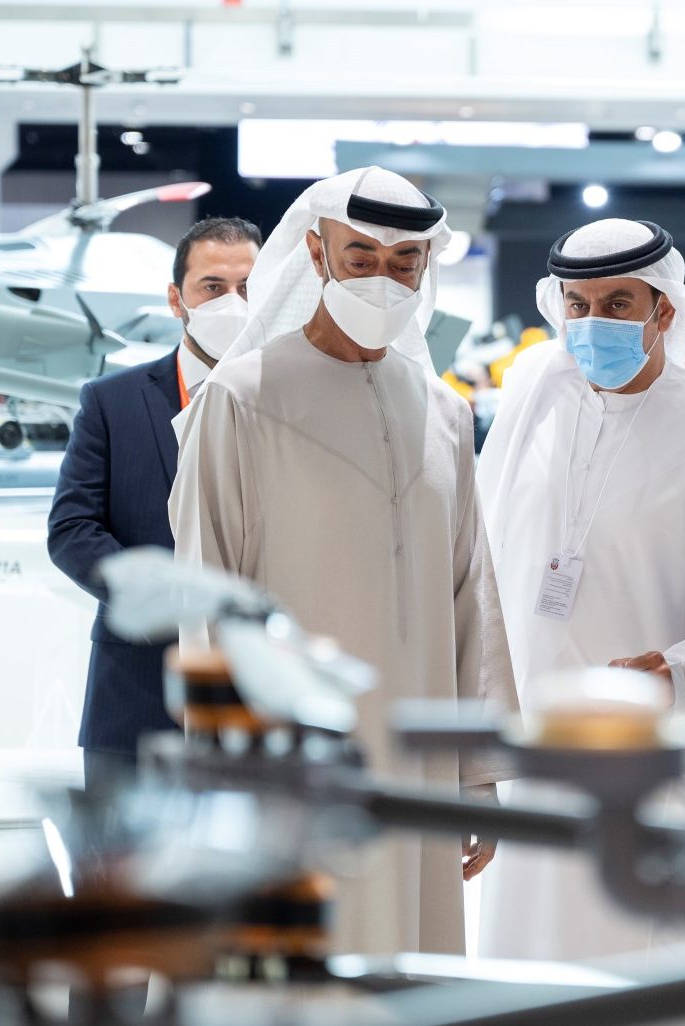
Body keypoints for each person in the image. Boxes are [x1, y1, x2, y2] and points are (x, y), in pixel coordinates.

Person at [169, 168, 514, 956]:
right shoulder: (241, 398)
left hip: (417, 762)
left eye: (405, 262)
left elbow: (471, 601)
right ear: (318, 256)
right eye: (362, 257)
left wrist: (477, 775)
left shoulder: (445, 412)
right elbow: (205, 600)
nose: (384, 278)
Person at [474, 218, 685, 961]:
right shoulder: (528, 402)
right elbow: (478, 571)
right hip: (532, 753)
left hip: (654, 757)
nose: (592, 322)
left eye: (617, 304)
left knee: (649, 974)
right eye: (577, 305)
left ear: (663, 311)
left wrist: (678, 673)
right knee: (530, 972)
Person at [48, 216, 259, 793]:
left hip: (259, 699)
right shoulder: (112, 402)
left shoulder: (290, 407)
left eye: (248, 288)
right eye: (213, 287)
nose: (232, 303)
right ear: (176, 299)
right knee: (122, 880)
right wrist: (161, 595)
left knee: (252, 882)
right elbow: (72, 528)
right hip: (138, 691)